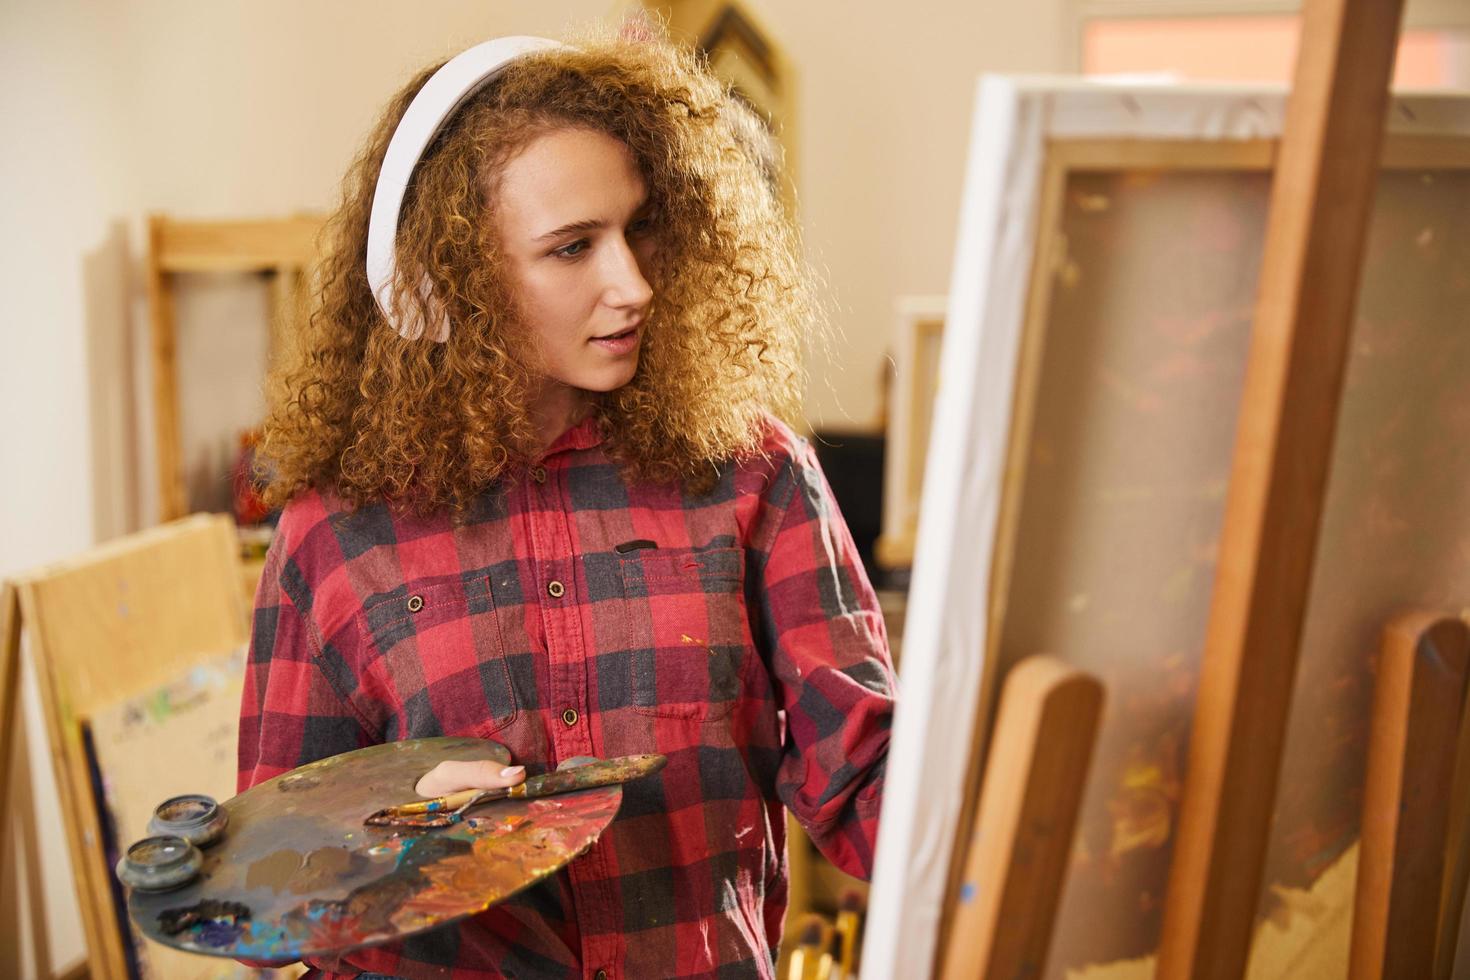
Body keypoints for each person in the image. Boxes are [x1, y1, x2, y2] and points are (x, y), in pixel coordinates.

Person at [239, 26, 895, 980]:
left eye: (638, 230)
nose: (631, 284)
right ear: (438, 286)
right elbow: (266, 897)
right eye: (572, 248)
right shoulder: (333, 537)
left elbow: (868, 784)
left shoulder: (754, 475)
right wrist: (388, 827)